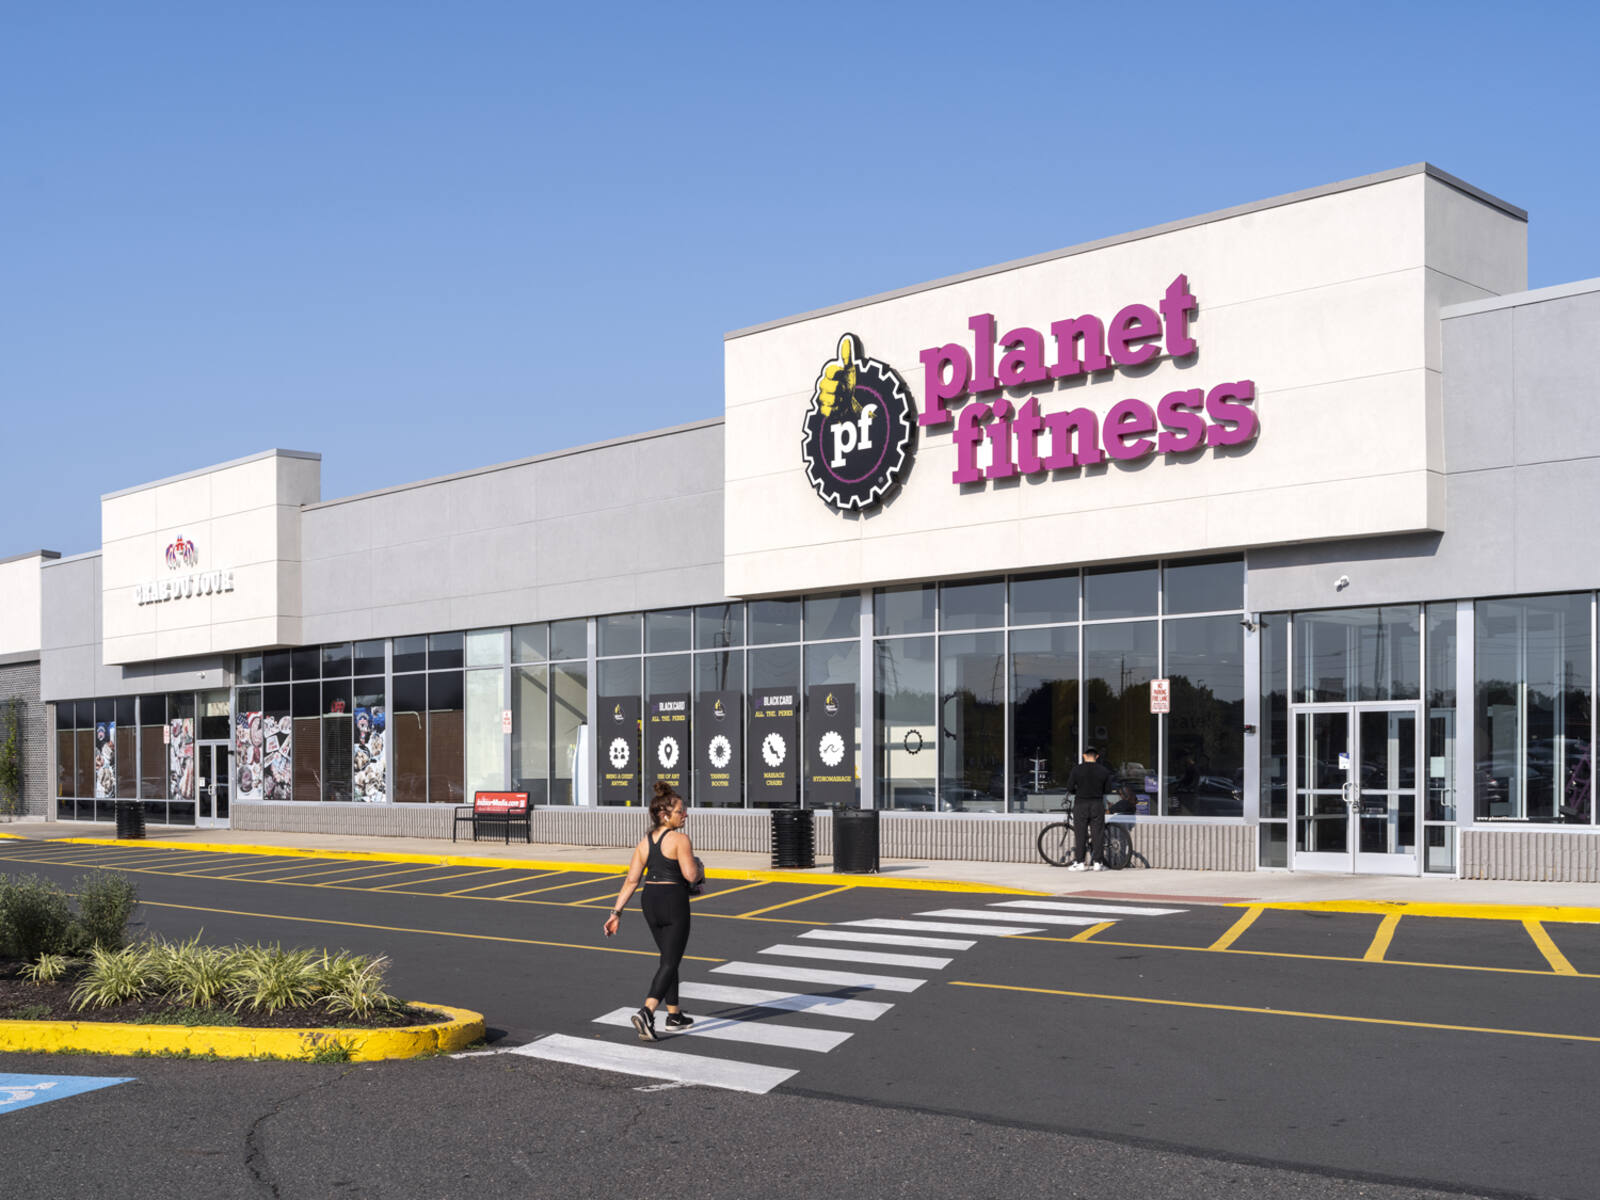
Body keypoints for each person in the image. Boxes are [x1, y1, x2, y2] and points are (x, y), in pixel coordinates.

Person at [602, 781, 705, 1041]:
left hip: (650, 901)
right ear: (665, 814)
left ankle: (674, 1016)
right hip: (673, 900)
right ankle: (647, 1012)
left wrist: (616, 913)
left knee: (668, 959)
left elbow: (631, 880)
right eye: (681, 811)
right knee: (671, 960)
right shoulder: (681, 839)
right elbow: (690, 875)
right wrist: (699, 870)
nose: (686, 815)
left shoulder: (644, 843)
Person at [1064, 745, 1116, 871]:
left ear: (1084, 755)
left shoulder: (1077, 770)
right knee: (1097, 833)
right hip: (1097, 804)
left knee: (1080, 833)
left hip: (1081, 804)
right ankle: (1098, 863)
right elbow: (1108, 789)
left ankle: (1080, 862)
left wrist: (1079, 791)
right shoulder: (1104, 771)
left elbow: (1070, 787)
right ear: (1097, 756)